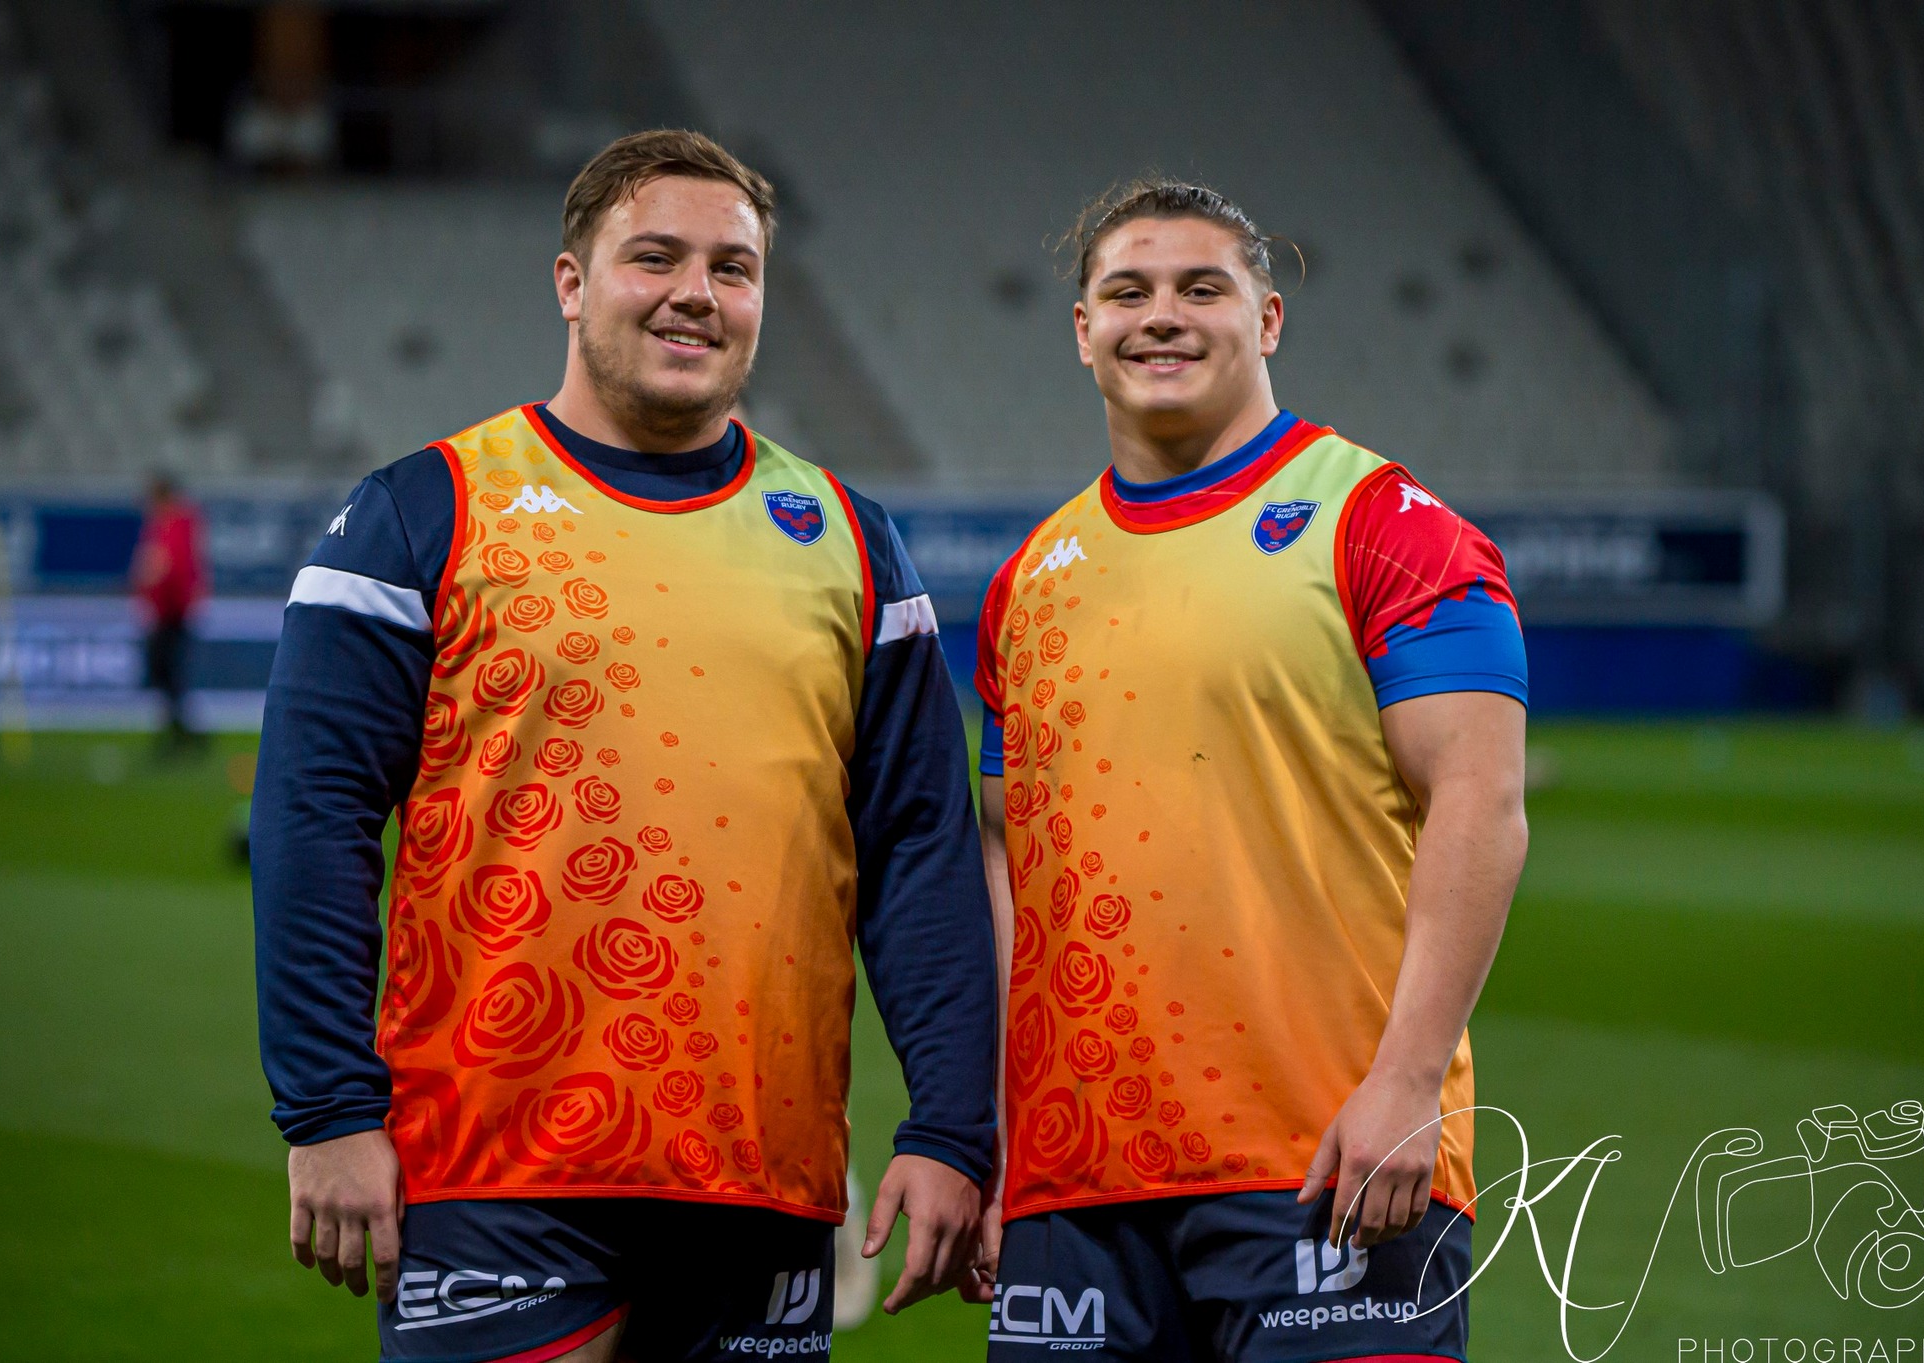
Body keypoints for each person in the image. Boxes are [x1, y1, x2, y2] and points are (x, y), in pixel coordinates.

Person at [251, 130, 997, 1363]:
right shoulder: (420, 512)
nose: (696, 292)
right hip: (488, 1163)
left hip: (758, 1177)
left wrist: (952, 1127)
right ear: (570, 281)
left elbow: (920, 853)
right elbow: (313, 820)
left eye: (733, 267)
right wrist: (327, 1108)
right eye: (654, 256)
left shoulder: (852, 544)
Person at [967, 180, 1529, 1363]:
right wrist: (997, 1134)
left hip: (1326, 1152)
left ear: (1266, 319)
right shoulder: (1029, 581)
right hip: (1076, 1188)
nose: (1159, 315)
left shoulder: (1383, 522)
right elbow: (1015, 868)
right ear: (1081, 331)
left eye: (1199, 288)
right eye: (1126, 291)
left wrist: (1409, 1079)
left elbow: (1478, 804)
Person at [130, 474, 207, 752]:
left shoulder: (174, 522)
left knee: (168, 673)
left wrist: (147, 576)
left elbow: (166, 565)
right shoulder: (174, 522)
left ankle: (182, 735)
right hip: (169, 609)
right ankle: (182, 732)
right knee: (168, 674)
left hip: (172, 611)